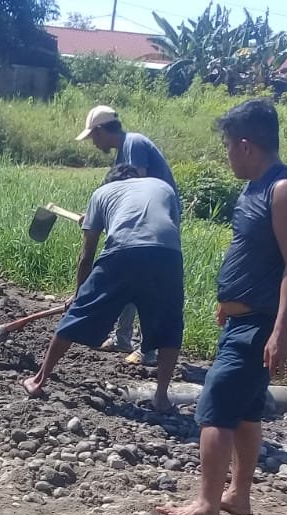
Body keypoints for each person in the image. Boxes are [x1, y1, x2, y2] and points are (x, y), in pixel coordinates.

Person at [158, 98, 287, 515]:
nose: (226, 155)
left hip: (262, 324)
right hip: (245, 320)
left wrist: (281, 331)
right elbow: (253, 255)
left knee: (214, 408)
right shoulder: (254, 188)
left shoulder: (284, 191)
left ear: (246, 145)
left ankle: (206, 506)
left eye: (227, 146)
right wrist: (229, 304)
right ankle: (238, 496)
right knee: (245, 410)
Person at [21, 164, 183, 414]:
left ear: (111, 181)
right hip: (167, 256)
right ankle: (161, 398)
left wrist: (78, 295)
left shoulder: (102, 193)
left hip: (121, 253)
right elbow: (159, 227)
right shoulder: (162, 187)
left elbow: (87, 255)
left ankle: (39, 379)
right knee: (169, 325)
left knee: (78, 314)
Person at [77, 105, 179, 367]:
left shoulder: (132, 143)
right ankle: (122, 338)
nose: (93, 143)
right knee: (129, 275)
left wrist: (104, 218)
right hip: (141, 223)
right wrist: (96, 218)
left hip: (151, 227)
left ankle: (149, 349)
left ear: (100, 131)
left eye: (93, 137)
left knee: (144, 283)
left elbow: (135, 189)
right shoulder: (125, 150)